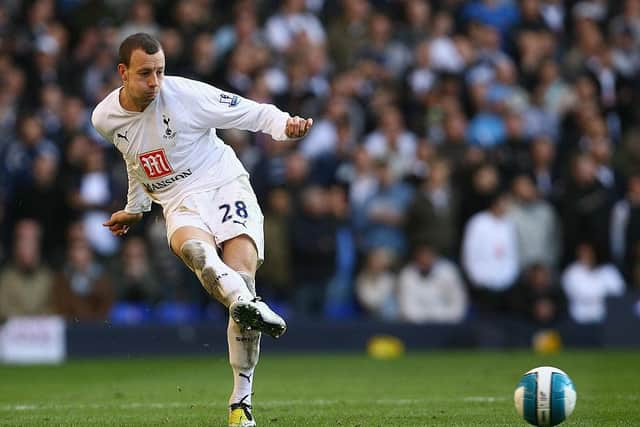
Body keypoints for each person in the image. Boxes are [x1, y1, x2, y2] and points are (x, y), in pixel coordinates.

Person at [91, 33, 313, 427]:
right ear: (122, 73)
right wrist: (135, 208)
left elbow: (248, 111)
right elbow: (137, 160)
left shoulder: (186, 96)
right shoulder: (104, 118)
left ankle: (240, 401)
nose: (155, 82)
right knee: (196, 253)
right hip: (178, 200)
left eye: (159, 71)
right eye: (145, 74)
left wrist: (285, 124)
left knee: (240, 274)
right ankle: (245, 302)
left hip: (223, 182)